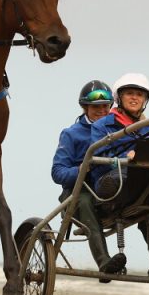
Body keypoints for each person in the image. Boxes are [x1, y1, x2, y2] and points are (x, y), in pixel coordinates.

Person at [89, 73, 149, 282]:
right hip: (109, 188)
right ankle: (105, 262)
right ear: (119, 98)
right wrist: (127, 157)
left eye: (140, 95)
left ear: (145, 100)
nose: (135, 98)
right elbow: (97, 159)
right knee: (142, 185)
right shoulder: (101, 126)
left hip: (139, 188)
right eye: (130, 94)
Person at [51, 80, 126, 280]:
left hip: (109, 193)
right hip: (76, 196)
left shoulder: (117, 131)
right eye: (95, 107)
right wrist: (85, 168)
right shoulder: (71, 134)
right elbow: (57, 173)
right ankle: (104, 264)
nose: (101, 110)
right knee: (83, 200)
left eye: (105, 106)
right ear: (85, 107)